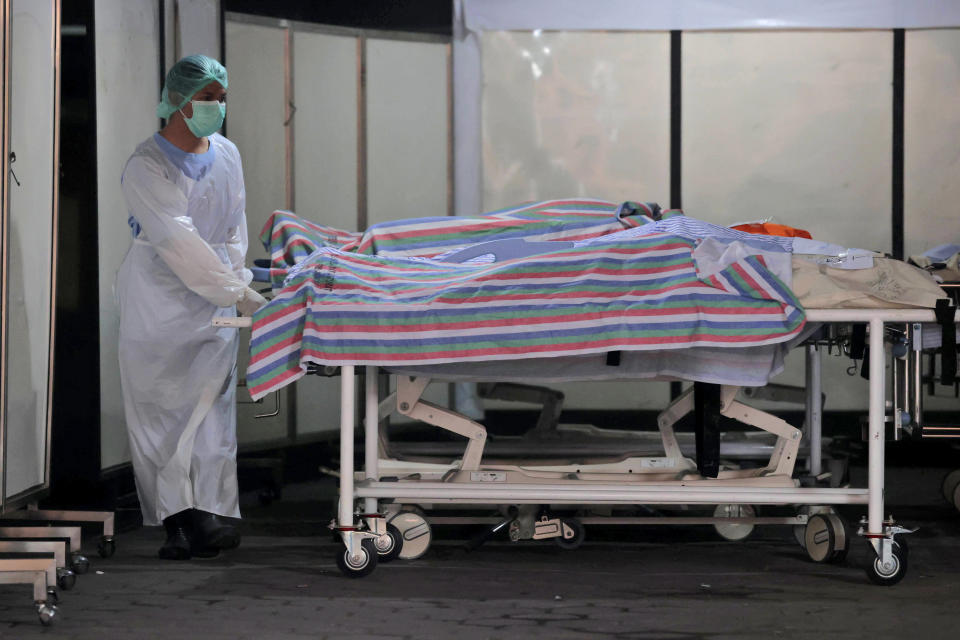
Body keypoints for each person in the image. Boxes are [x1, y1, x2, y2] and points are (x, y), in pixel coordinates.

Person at [116, 54, 266, 560]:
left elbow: (232, 231)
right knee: (161, 413)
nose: (214, 108)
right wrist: (235, 290)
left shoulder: (227, 154)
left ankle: (212, 513)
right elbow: (179, 243)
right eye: (205, 98)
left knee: (212, 413)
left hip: (214, 305)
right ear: (177, 101)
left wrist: (237, 278)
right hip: (159, 304)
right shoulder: (146, 166)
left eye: (220, 98)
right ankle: (176, 522)